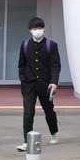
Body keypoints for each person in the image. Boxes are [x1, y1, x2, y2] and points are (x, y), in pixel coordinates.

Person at [16, 17, 60, 151]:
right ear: (30, 30)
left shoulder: (51, 45)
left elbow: (55, 66)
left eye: (40, 28)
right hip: (29, 85)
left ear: (44, 29)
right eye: (34, 29)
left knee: (49, 111)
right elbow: (21, 65)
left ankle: (54, 133)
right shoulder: (25, 45)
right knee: (28, 112)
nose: (37, 31)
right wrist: (23, 79)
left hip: (45, 85)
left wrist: (53, 82)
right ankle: (26, 141)